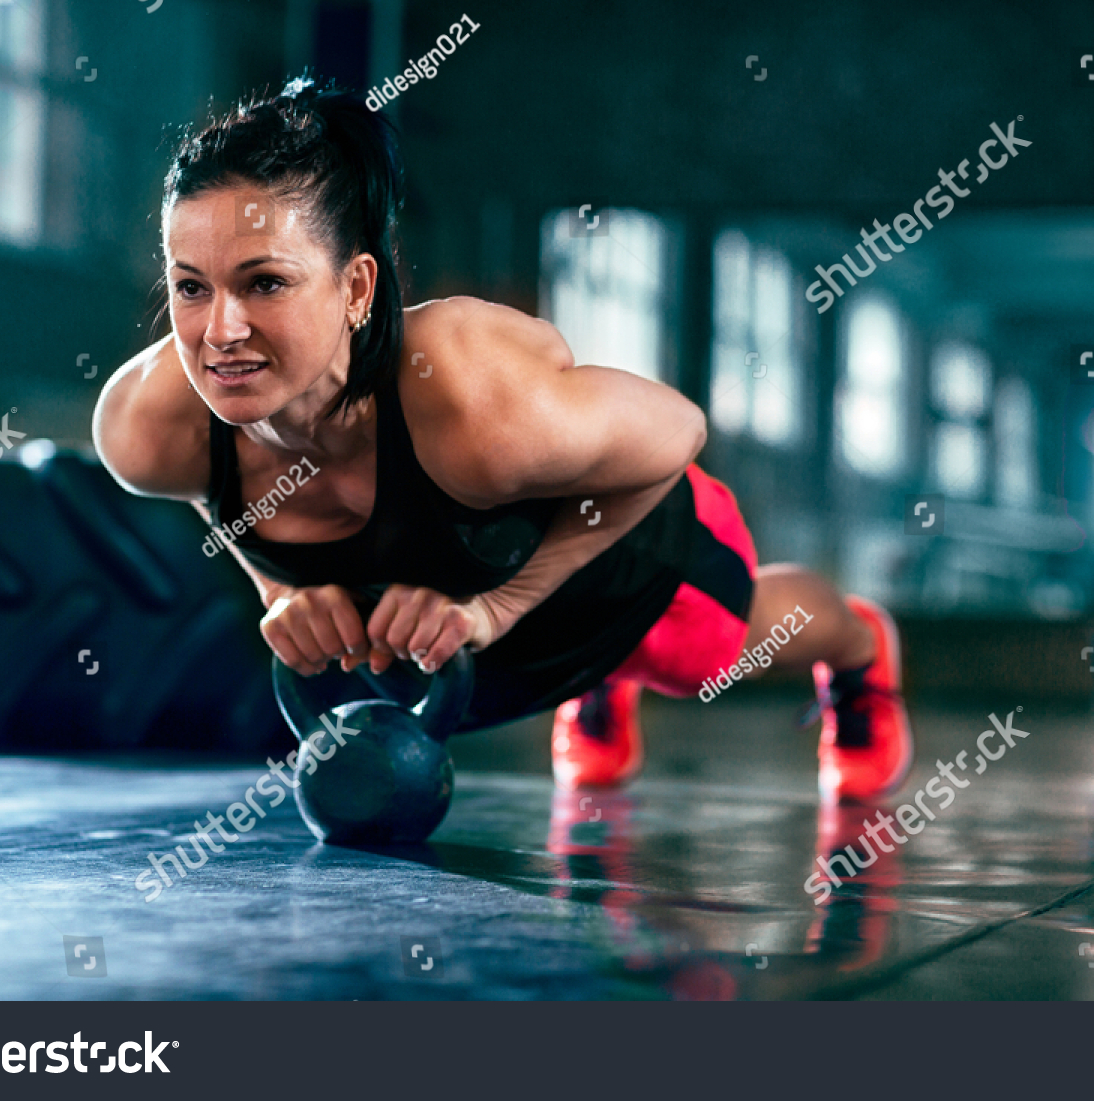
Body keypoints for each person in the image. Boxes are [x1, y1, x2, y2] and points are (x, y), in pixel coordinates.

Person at [91, 76, 912, 802]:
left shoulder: (470, 400)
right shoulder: (149, 429)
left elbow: (677, 433)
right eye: (190, 286)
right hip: (469, 610)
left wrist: (503, 604)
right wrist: (281, 589)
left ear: (356, 287)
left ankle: (863, 654)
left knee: (707, 654)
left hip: (624, 550)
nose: (220, 331)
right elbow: (215, 494)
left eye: (265, 282)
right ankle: (594, 687)